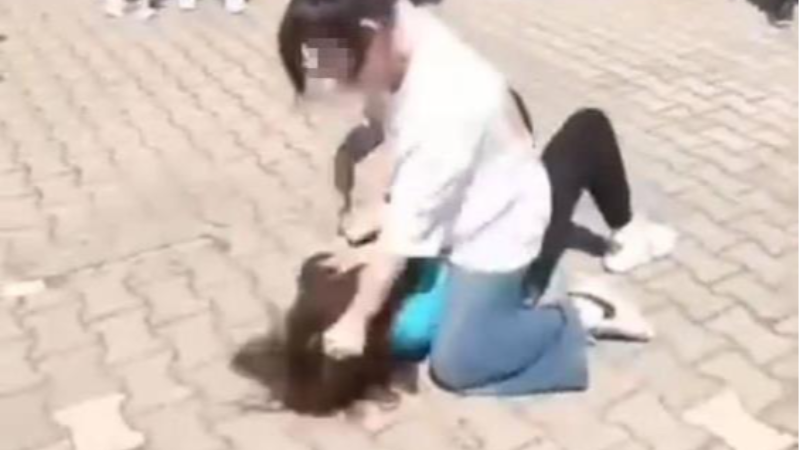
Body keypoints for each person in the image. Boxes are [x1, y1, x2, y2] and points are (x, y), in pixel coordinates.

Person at [278, 0, 677, 396]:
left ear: (372, 33)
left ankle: (577, 312)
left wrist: (356, 320)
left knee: (460, 365)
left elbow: (401, 234)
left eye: (346, 73)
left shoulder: (443, 102)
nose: (346, 88)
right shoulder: (395, 25)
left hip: (507, 225)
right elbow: (397, 151)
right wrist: (384, 208)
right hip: (483, 188)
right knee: (418, 320)